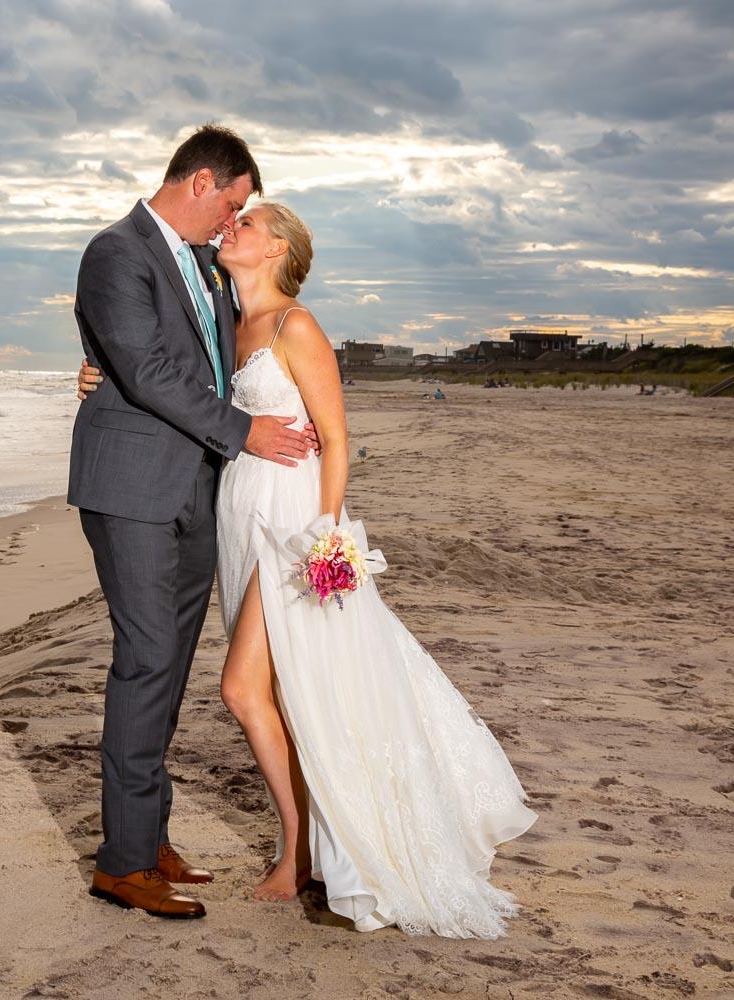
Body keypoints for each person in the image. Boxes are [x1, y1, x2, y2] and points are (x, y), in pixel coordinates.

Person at [77, 200, 538, 938]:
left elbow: (337, 439)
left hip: (292, 524)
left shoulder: (298, 325)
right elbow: (166, 378)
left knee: (240, 688)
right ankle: (308, 842)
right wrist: (99, 371)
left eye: (249, 224)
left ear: (278, 249)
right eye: (235, 216)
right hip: (239, 510)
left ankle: (294, 852)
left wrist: (326, 537)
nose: (234, 228)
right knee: (289, 692)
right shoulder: (227, 321)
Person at [68, 125, 320, 921]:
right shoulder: (117, 251)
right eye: (235, 204)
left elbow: (212, 357)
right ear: (204, 180)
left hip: (199, 489)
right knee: (145, 658)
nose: (233, 221)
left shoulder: (208, 268)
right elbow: (143, 367)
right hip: (134, 487)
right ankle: (124, 864)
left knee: (171, 665)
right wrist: (244, 431)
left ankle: (148, 833)